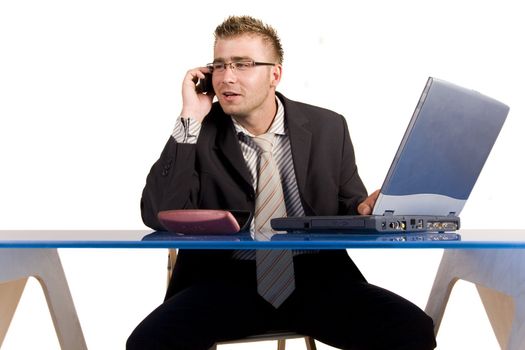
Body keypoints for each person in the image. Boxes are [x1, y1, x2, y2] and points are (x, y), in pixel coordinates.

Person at [127, 15, 436, 350]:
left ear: (275, 74)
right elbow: (157, 213)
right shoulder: (197, 131)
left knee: (413, 329)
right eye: (219, 65)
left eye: (242, 64)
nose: (227, 77)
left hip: (317, 279)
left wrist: (366, 208)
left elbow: (348, 207)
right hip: (223, 282)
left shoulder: (328, 127)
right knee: (149, 343)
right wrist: (189, 118)